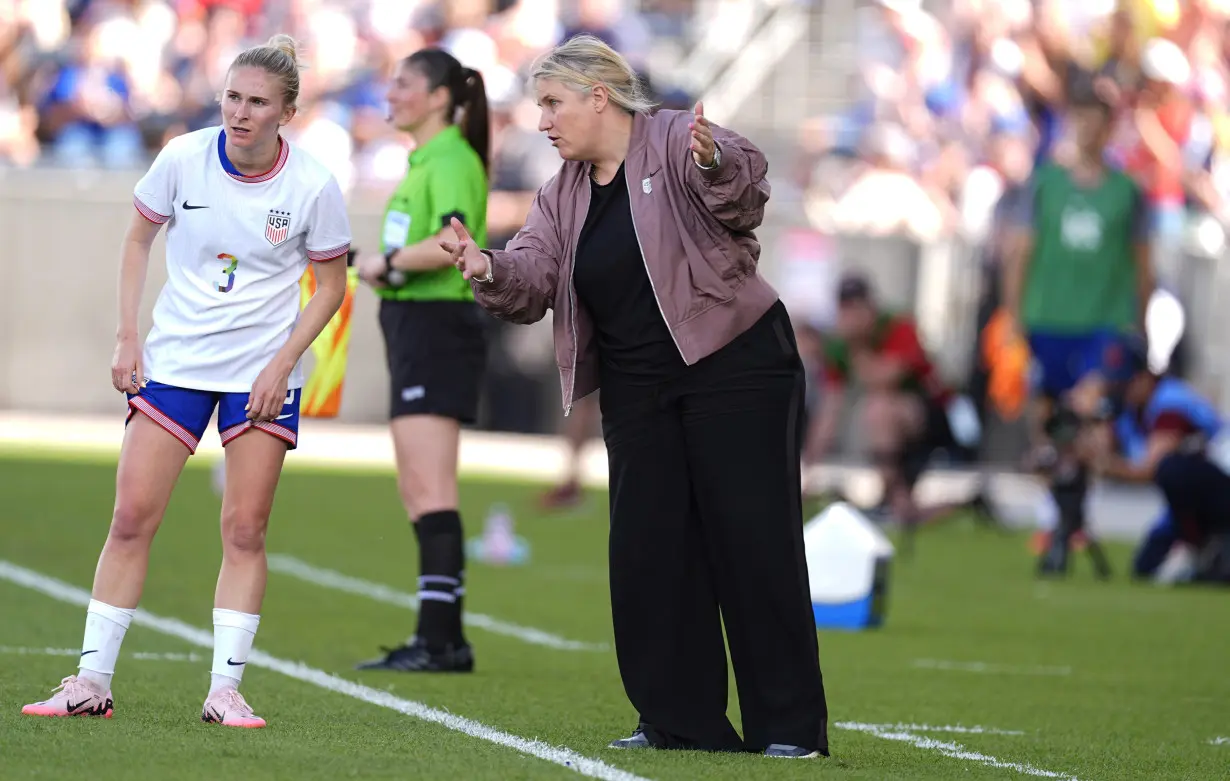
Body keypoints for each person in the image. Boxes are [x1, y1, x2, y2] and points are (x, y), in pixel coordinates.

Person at [441, 34, 829, 759]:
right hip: (637, 387)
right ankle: (677, 722)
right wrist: (485, 266)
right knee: (650, 554)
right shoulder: (562, 193)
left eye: (554, 104)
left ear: (600, 95)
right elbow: (530, 280)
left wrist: (718, 162)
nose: (545, 121)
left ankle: (789, 731)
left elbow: (744, 193)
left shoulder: (682, 138)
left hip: (735, 365)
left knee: (753, 546)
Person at [21, 35, 353, 726]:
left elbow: (330, 287)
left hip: (261, 372)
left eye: (258, 102)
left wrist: (283, 363)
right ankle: (91, 681)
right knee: (131, 516)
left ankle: (224, 688)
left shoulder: (314, 184)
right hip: (175, 362)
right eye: (232, 96)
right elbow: (139, 237)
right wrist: (126, 333)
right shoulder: (181, 157)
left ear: (287, 112)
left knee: (244, 528)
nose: (240, 112)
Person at [353, 49, 490, 673]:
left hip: (438, 330)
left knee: (431, 488)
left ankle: (441, 642)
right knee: (417, 489)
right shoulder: (423, 162)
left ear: (438, 97)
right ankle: (439, 637)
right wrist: (389, 270)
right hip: (416, 327)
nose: (392, 92)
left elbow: (453, 241)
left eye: (404, 83)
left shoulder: (452, 159)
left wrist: (390, 264)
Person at [1002, 80, 1154, 576]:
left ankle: (1064, 530)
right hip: (1049, 320)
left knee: (1081, 413)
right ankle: (1066, 522)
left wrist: (1141, 324)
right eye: (1079, 116)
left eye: (1096, 118)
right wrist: (1012, 317)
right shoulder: (1044, 184)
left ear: (1110, 126)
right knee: (1048, 428)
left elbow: (1143, 264)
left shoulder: (1128, 192)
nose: (1087, 127)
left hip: (1103, 323)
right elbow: (1019, 252)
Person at [806, 273, 989, 543]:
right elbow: (830, 408)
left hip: (940, 414)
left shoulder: (897, 327)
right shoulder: (841, 347)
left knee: (879, 408)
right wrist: (808, 466)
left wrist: (855, 346)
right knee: (877, 410)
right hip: (898, 426)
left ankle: (897, 499)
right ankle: (899, 500)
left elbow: (886, 377)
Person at [1071, 339, 1230, 584]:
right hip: (1190, 504)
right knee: (1144, 568)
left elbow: (1153, 468)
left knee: (1172, 470)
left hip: (1219, 489)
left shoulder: (1170, 403)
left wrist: (1100, 462)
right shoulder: (1132, 412)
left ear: (1146, 377)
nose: (1120, 390)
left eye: (1126, 382)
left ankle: (1201, 547)